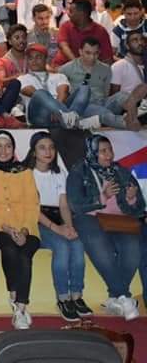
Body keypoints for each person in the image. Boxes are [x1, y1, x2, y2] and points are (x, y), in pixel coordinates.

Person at [67, 135, 145, 321]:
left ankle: (115, 298)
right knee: (101, 248)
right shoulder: (78, 171)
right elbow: (75, 205)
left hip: (119, 219)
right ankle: (124, 296)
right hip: (89, 216)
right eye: (103, 151)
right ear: (92, 153)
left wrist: (131, 198)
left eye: (110, 150)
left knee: (133, 248)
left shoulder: (121, 171)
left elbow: (139, 207)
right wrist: (102, 197)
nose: (109, 155)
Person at [25, 132, 91, 322]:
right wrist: (57, 228)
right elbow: (32, 209)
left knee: (77, 244)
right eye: (42, 148)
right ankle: (62, 298)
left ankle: (76, 295)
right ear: (33, 152)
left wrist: (68, 226)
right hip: (37, 221)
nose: (48, 152)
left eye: (51, 147)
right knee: (61, 247)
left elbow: (63, 204)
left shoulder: (59, 172)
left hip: (59, 218)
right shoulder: (26, 174)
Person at [0, 131, 40, 330]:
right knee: (9, 249)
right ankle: (15, 297)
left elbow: (32, 205)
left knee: (24, 254)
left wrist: (24, 230)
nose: (3, 151)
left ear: (13, 149)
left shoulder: (25, 172)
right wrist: (4, 227)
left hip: (28, 228)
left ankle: (20, 307)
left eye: (8, 146)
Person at [19, 44, 94, 129]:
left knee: (85, 88)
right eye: (30, 58)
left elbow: (63, 93)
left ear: (46, 59)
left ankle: (71, 120)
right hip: (39, 116)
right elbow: (32, 92)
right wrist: (55, 110)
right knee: (40, 93)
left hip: (61, 114)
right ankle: (74, 121)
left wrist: (57, 112)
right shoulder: (22, 78)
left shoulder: (59, 76)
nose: (34, 61)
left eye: (38, 57)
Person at [60, 38, 128, 128]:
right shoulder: (66, 69)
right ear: (80, 52)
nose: (92, 57)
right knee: (103, 113)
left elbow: (106, 92)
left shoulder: (106, 69)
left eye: (96, 53)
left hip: (102, 102)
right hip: (84, 106)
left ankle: (134, 114)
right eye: (88, 53)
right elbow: (62, 93)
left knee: (123, 95)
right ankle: (127, 123)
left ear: (99, 53)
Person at [52, 0, 113, 67]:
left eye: (71, 11)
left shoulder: (100, 32)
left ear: (82, 14)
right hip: (61, 67)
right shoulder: (66, 26)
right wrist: (78, 66)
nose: (68, 14)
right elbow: (64, 46)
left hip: (89, 70)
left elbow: (107, 59)